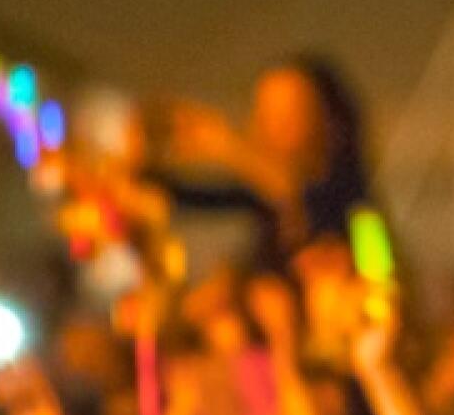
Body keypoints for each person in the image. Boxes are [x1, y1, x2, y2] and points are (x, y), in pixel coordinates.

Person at [149, 54, 377, 275]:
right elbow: (191, 197)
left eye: (286, 113)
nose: (270, 128)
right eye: (264, 112)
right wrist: (143, 169)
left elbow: (302, 197)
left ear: (327, 121)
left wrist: (228, 149)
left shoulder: (356, 210)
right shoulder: (264, 199)